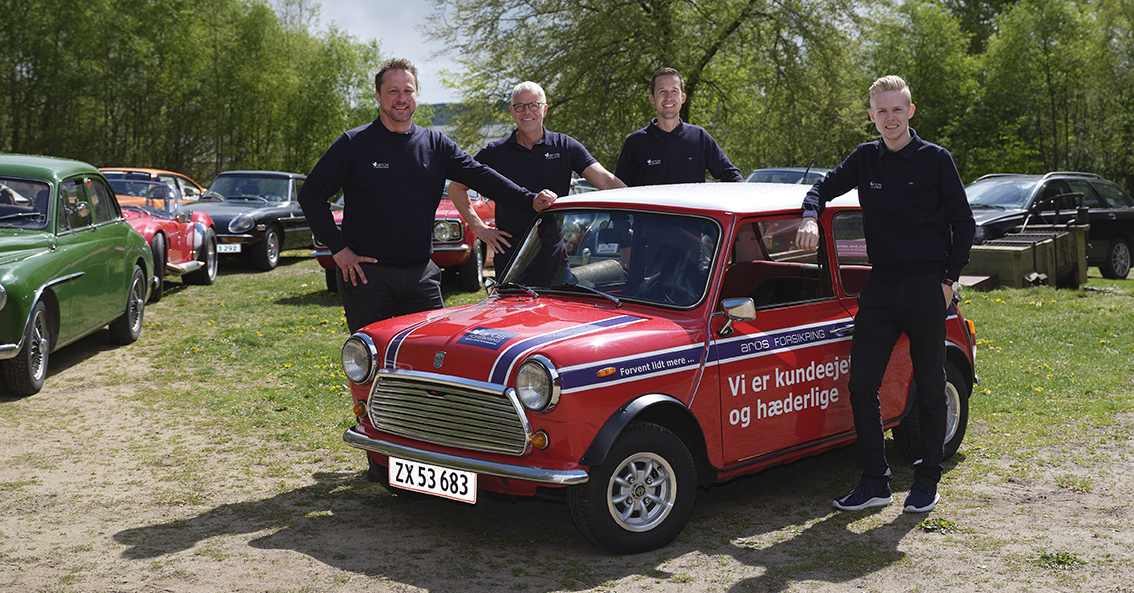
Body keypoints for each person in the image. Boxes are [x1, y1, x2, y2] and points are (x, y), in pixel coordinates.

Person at [794, 75, 975, 514]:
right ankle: (875, 481)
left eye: (897, 109)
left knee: (931, 384)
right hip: (880, 286)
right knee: (861, 384)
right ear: (872, 117)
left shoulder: (936, 159)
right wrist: (808, 217)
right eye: (881, 111)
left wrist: (948, 282)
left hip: (927, 286)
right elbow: (821, 187)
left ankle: (927, 478)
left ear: (909, 111)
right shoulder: (865, 159)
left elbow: (965, 224)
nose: (890, 118)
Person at [298, 59, 557, 332]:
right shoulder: (354, 144)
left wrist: (528, 198)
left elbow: (482, 176)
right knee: (371, 362)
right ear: (378, 96)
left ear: (416, 96)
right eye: (393, 91)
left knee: (430, 357)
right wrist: (339, 251)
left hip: (421, 276)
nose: (401, 98)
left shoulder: (436, 145)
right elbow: (311, 195)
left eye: (408, 91)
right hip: (366, 277)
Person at [447, 81, 626, 272]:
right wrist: (481, 229)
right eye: (520, 106)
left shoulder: (565, 146)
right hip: (510, 253)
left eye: (534, 105)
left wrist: (645, 202)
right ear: (512, 111)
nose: (527, 112)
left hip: (553, 251)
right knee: (512, 303)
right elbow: (455, 187)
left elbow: (606, 181)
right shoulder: (494, 152)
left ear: (545, 109)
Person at [614, 67, 744, 186]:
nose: (668, 97)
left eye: (674, 91)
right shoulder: (635, 143)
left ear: (683, 98)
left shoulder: (699, 137)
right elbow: (620, 193)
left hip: (691, 212)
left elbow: (730, 174)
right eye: (662, 91)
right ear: (652, 98)